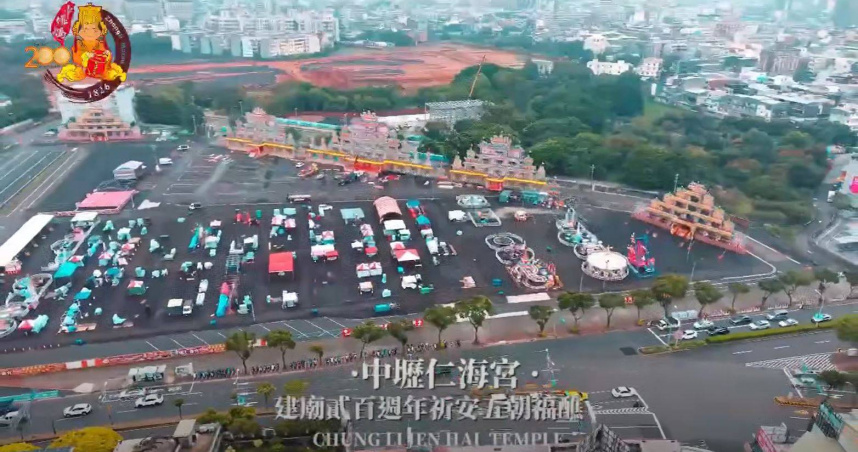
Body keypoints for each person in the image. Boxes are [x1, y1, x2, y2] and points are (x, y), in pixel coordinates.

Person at [56, 3, 126, 83]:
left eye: (94, 29)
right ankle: (63, 74)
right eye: (85, 29)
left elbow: (104, 53)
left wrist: (106, 55)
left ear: (101, 31)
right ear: (78, 30)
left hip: (99, 68)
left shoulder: (100, 42)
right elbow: (77, 56)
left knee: (109, 74)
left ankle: (119, 74)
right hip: (84, 68)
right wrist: (85, 57)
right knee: (77, 74)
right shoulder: (79, 43)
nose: (90, 33)